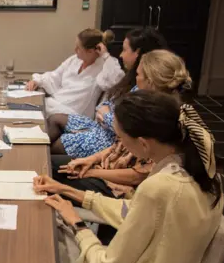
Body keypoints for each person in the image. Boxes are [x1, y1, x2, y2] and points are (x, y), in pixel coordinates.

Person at [15, 91, 222, 263]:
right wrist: (69, 193)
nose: (118, 146)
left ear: (144, 145)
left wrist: (75, 222)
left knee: (38, 248)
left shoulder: (160, 188)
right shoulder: (199, 174)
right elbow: (132, 214)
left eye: (121, 139)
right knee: (52, 227)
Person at [54, 50, 193, 199]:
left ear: (150, 82)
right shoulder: (144, 103)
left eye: (138, 75)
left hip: (121, 186)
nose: (135, 77)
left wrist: (91, 171)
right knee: (52, 162)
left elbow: (138, 176)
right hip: (109, 164)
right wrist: (91, 160)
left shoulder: (160, 120)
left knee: (53, 171)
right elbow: (120, 144)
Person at [46, 28, 168, 156]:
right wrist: (103, 110)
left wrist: (105, 115)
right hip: (100, 126)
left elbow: (125, 127)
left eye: (125, 50)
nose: (121, 54)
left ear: (137, 52)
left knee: (57, 145)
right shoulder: (132, 78)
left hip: (107, 138)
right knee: (55, 118)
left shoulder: (144, 86)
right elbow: (107, 105)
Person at [25, 29, 124, 118]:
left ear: (90, 51)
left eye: (78, 48)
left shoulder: (104, 66)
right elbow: (55, 76)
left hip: (75, 112)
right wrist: (37, 81)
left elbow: (115, 80)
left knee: (34, 110)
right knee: (28, 105)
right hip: (56, 103)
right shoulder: (74, 60)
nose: (75, 50)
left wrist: (105, 55)